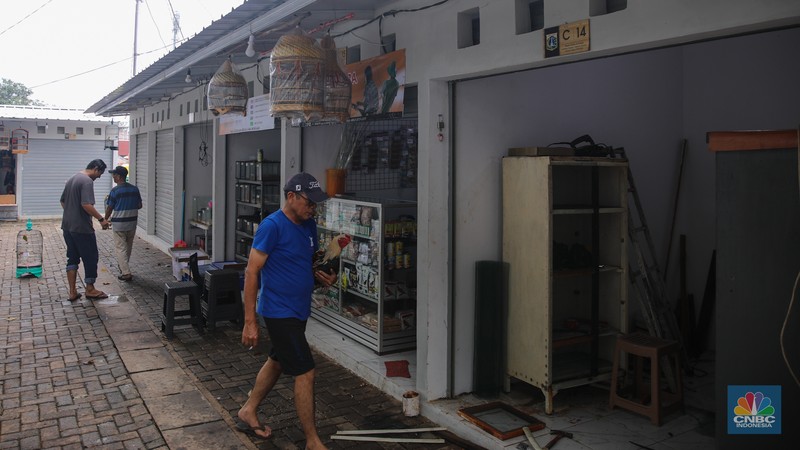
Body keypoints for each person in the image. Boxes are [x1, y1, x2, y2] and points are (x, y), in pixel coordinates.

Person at [237, 172, 336, 449]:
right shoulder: (272, 226)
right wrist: (250, 321)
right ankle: (312, 441)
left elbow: (306, 262)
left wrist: (322, 275)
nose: (313, 208)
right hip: (279, 311)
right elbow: (252, 271)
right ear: (291, 196)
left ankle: (248, 410)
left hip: (299, 309)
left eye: (316, 203)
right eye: (309, 202)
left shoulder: (309, 225)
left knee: (278, 361)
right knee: (305, 371)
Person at [60, 159, 110, 301]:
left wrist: (71, 213)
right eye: (100, 173)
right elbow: (86, 204)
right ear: (96, 168)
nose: (99, 177)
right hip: (82, 228)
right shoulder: (87, 181)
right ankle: (90, 289)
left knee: (72, 258)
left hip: (67, 226)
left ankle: (72, 291)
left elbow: (62, 201)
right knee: (90, 257)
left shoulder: (72, 178)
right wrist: (101, 219)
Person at [103, 166, 142, 282]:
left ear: (119, 176)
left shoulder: (115, 191)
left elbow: (110, 207)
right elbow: (140, 205)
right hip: (132, 223)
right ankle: (124, 268)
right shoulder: (135, 189)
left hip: (119, 224)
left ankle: (126, 272)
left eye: (114, 175)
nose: (113, 177)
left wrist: (105, 219)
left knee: (120, 248)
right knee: (128, 247)